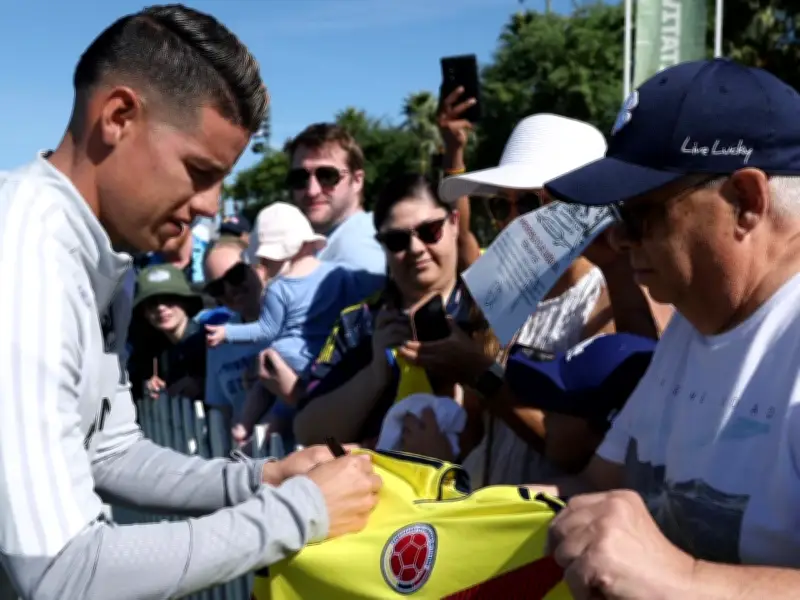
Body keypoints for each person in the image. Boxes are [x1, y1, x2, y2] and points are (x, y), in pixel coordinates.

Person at [0, 6, 381, 599]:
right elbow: (58, 572)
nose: (210, 205)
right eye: (199, 171)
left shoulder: (92, 254)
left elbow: (109, 449)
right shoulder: (24, 255)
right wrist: (301, 512)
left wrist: (264, 478)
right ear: (118, 116)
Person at [533, 58, 800, 598]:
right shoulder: (694, 323)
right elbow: (594, 486)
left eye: (641, 216)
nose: (621, 240)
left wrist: (687, 578)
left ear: (746, 202)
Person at [291, 174, 497, 456]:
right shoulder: (358, 323)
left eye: (430, 231)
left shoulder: (495, 301)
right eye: (397, 240)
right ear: (381, 243)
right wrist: (376, 374)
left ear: (454, 223)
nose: (415, 248)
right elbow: (307, 430)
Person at [285, 123, 386, 275]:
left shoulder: (361, 243)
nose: (312, 191)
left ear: (357, 180)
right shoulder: (323, 244)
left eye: (327, 176)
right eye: (300, 177)